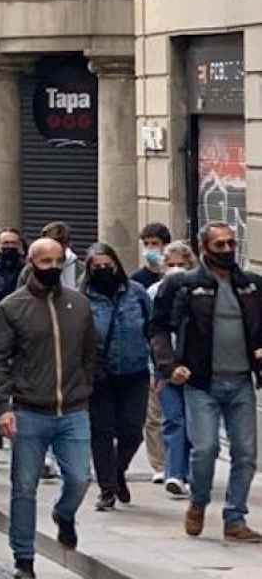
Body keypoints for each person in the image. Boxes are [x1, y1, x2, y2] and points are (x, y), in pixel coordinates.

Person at [0, 237, 98, 579]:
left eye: (57, 261)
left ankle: (64, 513)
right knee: (24, 487)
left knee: (79, 478)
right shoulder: (11, 307)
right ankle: (24, 558)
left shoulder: (78, 304)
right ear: (31, 263)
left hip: (74, 410)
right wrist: (2, 406)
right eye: (45, 262)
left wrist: (85, 387)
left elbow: (90, 352)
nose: (52, 268)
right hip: (29, 410)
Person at [149, 221, 262, 541]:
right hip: (201, 384)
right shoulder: (182, 286)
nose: (227, 250)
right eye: (219, 245)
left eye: (230, 243)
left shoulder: (251, 286)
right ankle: (197, 503)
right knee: (206, 448)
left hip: (241, 381)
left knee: (245, 453)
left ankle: (235, 517)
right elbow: (157, 329)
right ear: (203, 249)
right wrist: (170, 366)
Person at [81, 242, 153, 511]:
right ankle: (107, 488)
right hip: (100, 376)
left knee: (133, 431)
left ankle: (117, 470)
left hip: (135, 372)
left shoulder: (136, 293)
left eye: (106, 265)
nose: (102, 270)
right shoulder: (82, 298)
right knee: (101, 433)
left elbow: (151, 328)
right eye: (96, 266)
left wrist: (160, 366)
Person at [147, 240, 196, 499]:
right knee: (173, 420)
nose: (176, 269)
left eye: (182, 264)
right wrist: (156, 368)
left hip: (196, 367)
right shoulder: (155, 293)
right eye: (172, 264)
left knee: (193, 422)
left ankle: (188, 471)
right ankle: (174, 473)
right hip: (165, 368)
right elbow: (152, 332)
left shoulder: (200, 289)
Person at [134, 222, 172, 290]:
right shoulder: (136, 278)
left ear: (166, 246)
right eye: (146, 244)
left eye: (154, 243)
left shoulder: (173, 274)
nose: (149, 247)